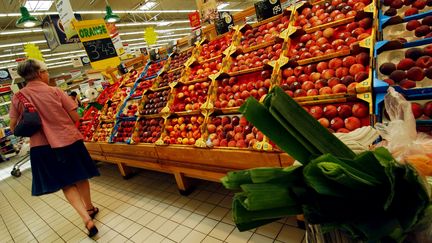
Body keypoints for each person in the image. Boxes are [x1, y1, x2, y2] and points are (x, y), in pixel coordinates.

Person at [8, 59, 100, 238]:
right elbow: (75, 116)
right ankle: (90, 208)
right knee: (80, 176)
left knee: (66, 183)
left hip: (42, 148)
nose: (47, 74)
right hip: (68, 140)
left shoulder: (18, 97)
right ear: (40, 73)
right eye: (46, 71)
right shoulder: (55, 91)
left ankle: (86, 219)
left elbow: (13, 127)